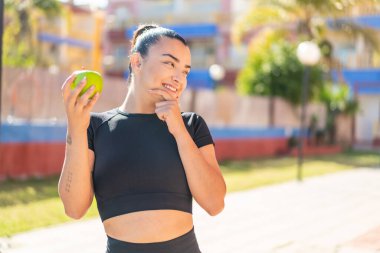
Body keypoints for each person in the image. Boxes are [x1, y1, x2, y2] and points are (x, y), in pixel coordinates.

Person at [58, 24, 226, 253]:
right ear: (137, 62)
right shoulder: (94, 127)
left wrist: (178, 129)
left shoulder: (191, 125)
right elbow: (73, 208)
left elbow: (215, 203)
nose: (179, 78)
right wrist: (75, 131)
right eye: (169, 63)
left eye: (185, 71)